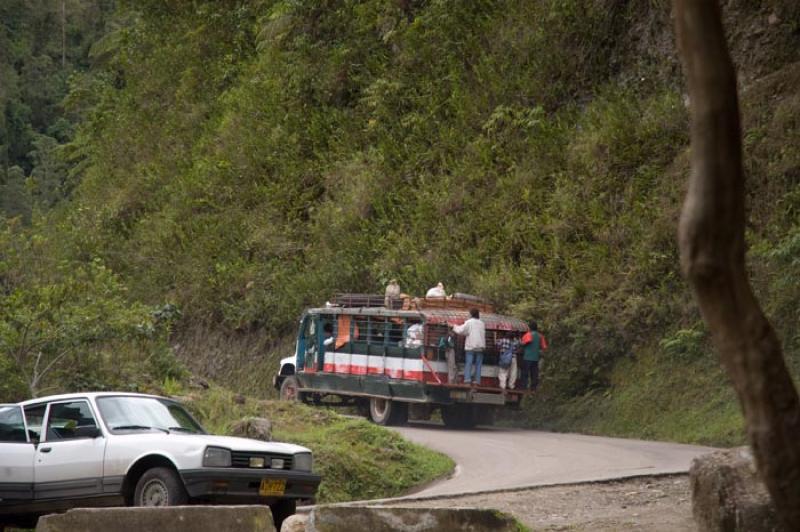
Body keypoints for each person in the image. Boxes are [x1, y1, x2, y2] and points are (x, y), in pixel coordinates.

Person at [451, 308, 486, 386]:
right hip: (481, 347)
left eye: (469, 313)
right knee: (478, 364)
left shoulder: (469, 322)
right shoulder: (482, 323)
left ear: (471, 314)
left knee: (469, 363)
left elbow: (461, 330)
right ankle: (477, 381)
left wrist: (454, 326)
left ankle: (467, 380)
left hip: (471, 346)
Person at [520, 320, 548, 391]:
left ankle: (524, 387)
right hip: (535, 358)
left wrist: (521, 344)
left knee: (525, 373)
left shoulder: (528, 334)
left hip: (527, 357)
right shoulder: (540, 336)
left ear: (530, 327)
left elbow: (523, 343)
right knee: (534, 374)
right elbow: (544, 347)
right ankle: (533, 388)